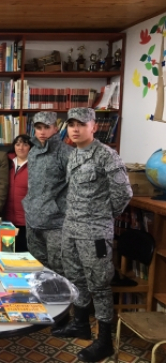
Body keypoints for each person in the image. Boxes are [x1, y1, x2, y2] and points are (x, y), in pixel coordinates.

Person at [52, 108, 132, 362]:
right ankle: (81, 324)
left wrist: (101, 218)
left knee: (98, 285)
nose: (75, 129)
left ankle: (105, 341)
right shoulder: (74, 154)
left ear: (94, 127)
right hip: (72, 230)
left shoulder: (107, 156)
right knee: (76, 279)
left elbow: (123, 194)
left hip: (95, 234)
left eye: (81, 124)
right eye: (71, 124)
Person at [21, 112, 73, 274]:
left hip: (56, 223)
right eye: (38, 128)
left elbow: (75, 186)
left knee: (58, 270)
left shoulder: (67, 153)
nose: (42, 132)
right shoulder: (33, 151)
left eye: (47, 127)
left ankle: (63, 300)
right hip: (33, 219)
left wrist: (60, 208)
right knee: (36, 268)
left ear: (55, 128)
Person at [4, 134, 33, 252]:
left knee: (23, 255)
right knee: (7, 253)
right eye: (18, 144)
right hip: (6, 219)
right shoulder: (6, 162)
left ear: (30, 147)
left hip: (26, 220)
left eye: (25, 144)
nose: (21, 148)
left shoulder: (35, 165)